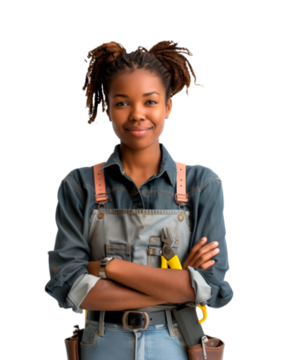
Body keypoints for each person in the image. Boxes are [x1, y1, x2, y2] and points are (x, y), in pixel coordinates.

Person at [43, 40, 234, 360]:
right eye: (122, 103)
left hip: (177, 345)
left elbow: (212, 289)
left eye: (150, 101)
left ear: (168, 106)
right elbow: (68, 287)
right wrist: (177, 284)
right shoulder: (79, 185)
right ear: (105, 107)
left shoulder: (203, 184)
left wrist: (106, 268)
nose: (137, 115)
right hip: (101, 346)